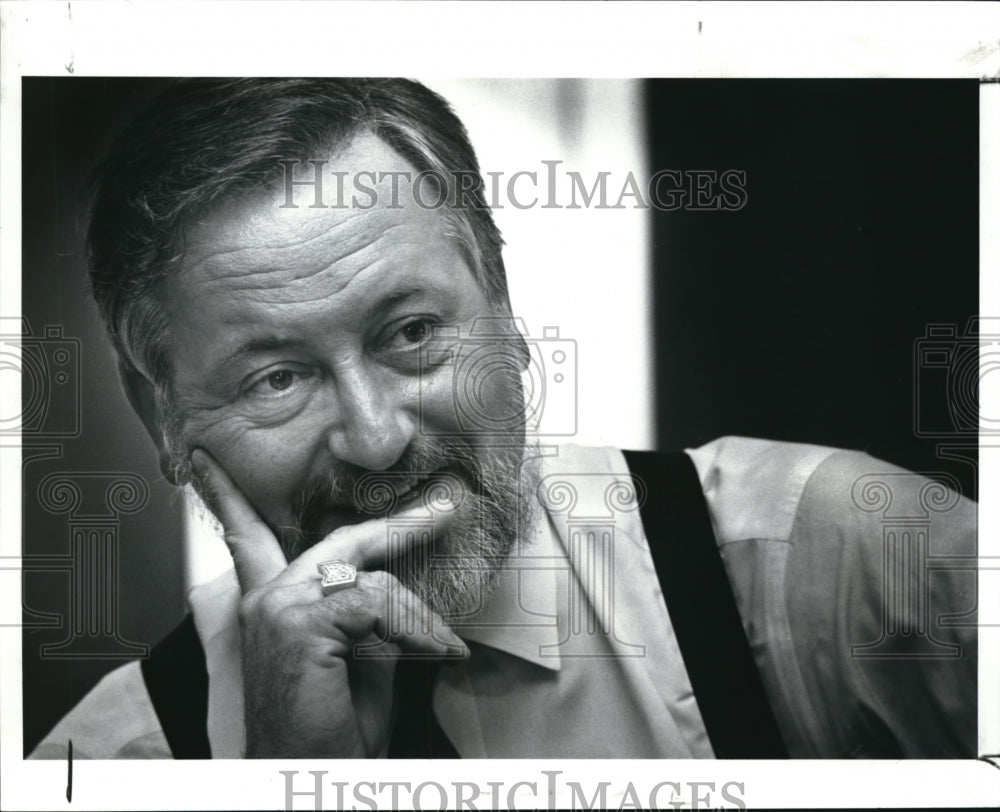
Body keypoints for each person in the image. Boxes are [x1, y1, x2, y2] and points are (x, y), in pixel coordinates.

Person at [29, 78, 976, 760]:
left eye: (410, 332)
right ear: (161, 415)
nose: (376, 437)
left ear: (505, 306)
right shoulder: (113, 759)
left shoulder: (834, 560)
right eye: (276, 378)